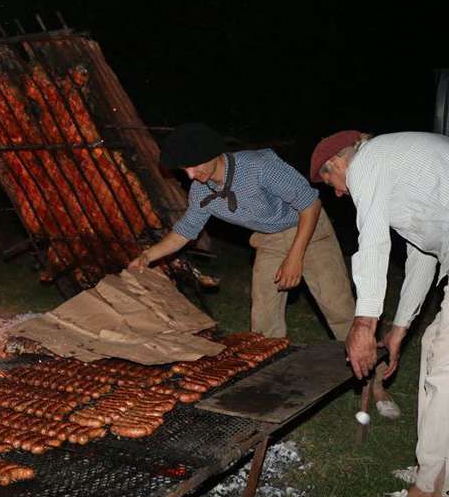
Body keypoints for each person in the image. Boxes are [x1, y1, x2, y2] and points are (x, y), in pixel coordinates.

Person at [311, 129, 449, 497]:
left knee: (445, 366)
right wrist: (400, 327)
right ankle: (439, 471)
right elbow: (422, 257)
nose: (339, 193)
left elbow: (371, 241)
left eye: (331, 182)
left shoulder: (369, 160)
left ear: (338, 163)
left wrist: (364, 323)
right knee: (436, 350)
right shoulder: (394, 165)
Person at [130, 122, 361, 348]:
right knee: (263, 317)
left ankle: (373, 380)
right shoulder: (201, 190)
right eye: (184, 169)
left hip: (308, 229)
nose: (190, 175)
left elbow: (311, 204)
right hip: (269, 238)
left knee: (337, 308)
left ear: (213, 154)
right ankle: (270, 372)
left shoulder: (259, 166)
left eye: (194, 166)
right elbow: (185, 231)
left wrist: (294, 257)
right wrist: (147, 256)